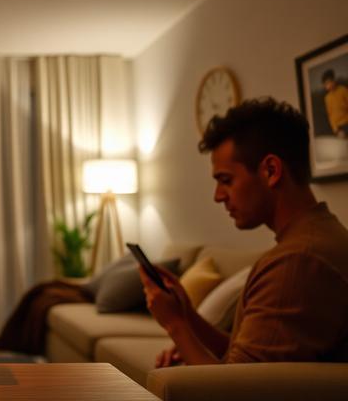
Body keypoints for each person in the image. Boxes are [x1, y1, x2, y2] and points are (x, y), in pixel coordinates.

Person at [141, 98, 348, 367]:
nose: (218, 196)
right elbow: (248, 358)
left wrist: (175, 325)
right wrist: (188, 316)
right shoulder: (311, 239)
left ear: (271, 171)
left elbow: (235, 386)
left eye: (226, 180)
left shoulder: (297, 262)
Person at [322, 69, 348, 138]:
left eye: (330, 81)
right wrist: (336, 129)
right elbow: (330, 115)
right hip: (338, 127)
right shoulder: (327, 98)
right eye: (326, 84)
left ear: (334, 80)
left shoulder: (343, 90)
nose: (329, 85)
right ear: (324, 86)